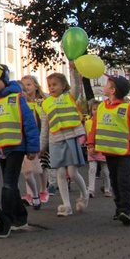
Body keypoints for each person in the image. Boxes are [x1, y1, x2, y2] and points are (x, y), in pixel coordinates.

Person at [0, 63, 40, 238]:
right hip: (1, 148)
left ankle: (6, 220)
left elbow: (30, 124)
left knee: (7, 185)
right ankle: (20, 218)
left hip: (17, 147)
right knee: (12, 185)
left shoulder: (17, 98)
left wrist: (33, 148)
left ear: (5, 80)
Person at [87, 75, 130, 226]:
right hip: (109, 151)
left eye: (107, 83)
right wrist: (90, 144)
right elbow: (95, 127)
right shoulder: (101, 107)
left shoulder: (126, 108)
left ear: (113, 90)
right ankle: (119, 208)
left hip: (125, 152)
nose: (105, 85)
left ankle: (125, 210)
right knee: (114, 181)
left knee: (123, 181)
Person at [40, 72, 90, 217]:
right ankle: (66, 205)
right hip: (55, 140)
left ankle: (84, 194)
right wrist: (41, 147)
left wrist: (75, 71)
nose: (51, 87)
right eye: (49, 85)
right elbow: (45, 127)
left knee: (73, 172)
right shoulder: (46, 103)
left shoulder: (69, 97)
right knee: (60, 172)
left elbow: (77, 88)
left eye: (55, 84)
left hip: (70, 138)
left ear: (63, 86)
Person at [19, 75, 48, 208]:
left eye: (29, 85)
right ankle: (31, 193)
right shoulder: (23, 103)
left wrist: (43, 141)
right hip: (27, 139)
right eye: (24, 85)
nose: (26, 88)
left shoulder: (41, 102)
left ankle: (43, 190)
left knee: (42, 168)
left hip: (40, 138)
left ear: (36, 86)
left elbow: (44, 122)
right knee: (28, 169)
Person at [85, 99, 112, 198]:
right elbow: (86, 134)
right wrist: (82, 142)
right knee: (92, 169)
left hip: (102, 148)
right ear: (91, 110)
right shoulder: (88, 122)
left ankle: (107, 188)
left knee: (106, 170)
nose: (95, 111)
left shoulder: (104, 122)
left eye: (98, 109)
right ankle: (91, 189)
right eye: (94, 109)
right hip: (91, 149)